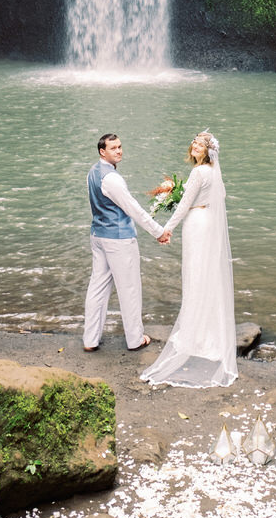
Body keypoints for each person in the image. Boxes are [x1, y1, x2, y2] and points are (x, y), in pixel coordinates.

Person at [141, 130, 237, 388]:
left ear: (209, 150)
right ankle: (208, 329)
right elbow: (223, 196)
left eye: (201, 144)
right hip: (208, 222)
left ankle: (195, 333)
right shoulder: (214, 171)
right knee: (206, 274)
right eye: (194, 142)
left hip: (196, 223)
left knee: (195, 273)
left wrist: (166, 228)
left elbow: (183, 205)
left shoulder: (198, 173)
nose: (195, 146)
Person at [83, 132, 166, 352]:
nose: (119, 151)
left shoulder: (92, 172)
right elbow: (133, 209)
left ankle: (90, 340)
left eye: (120, 147)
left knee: (97, 288)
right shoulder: (112, 179)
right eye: (113, 148)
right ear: (103, 151)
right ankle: (135, 339)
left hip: (98, 235)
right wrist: (158, 231)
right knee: (129, 289)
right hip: (118, 239)